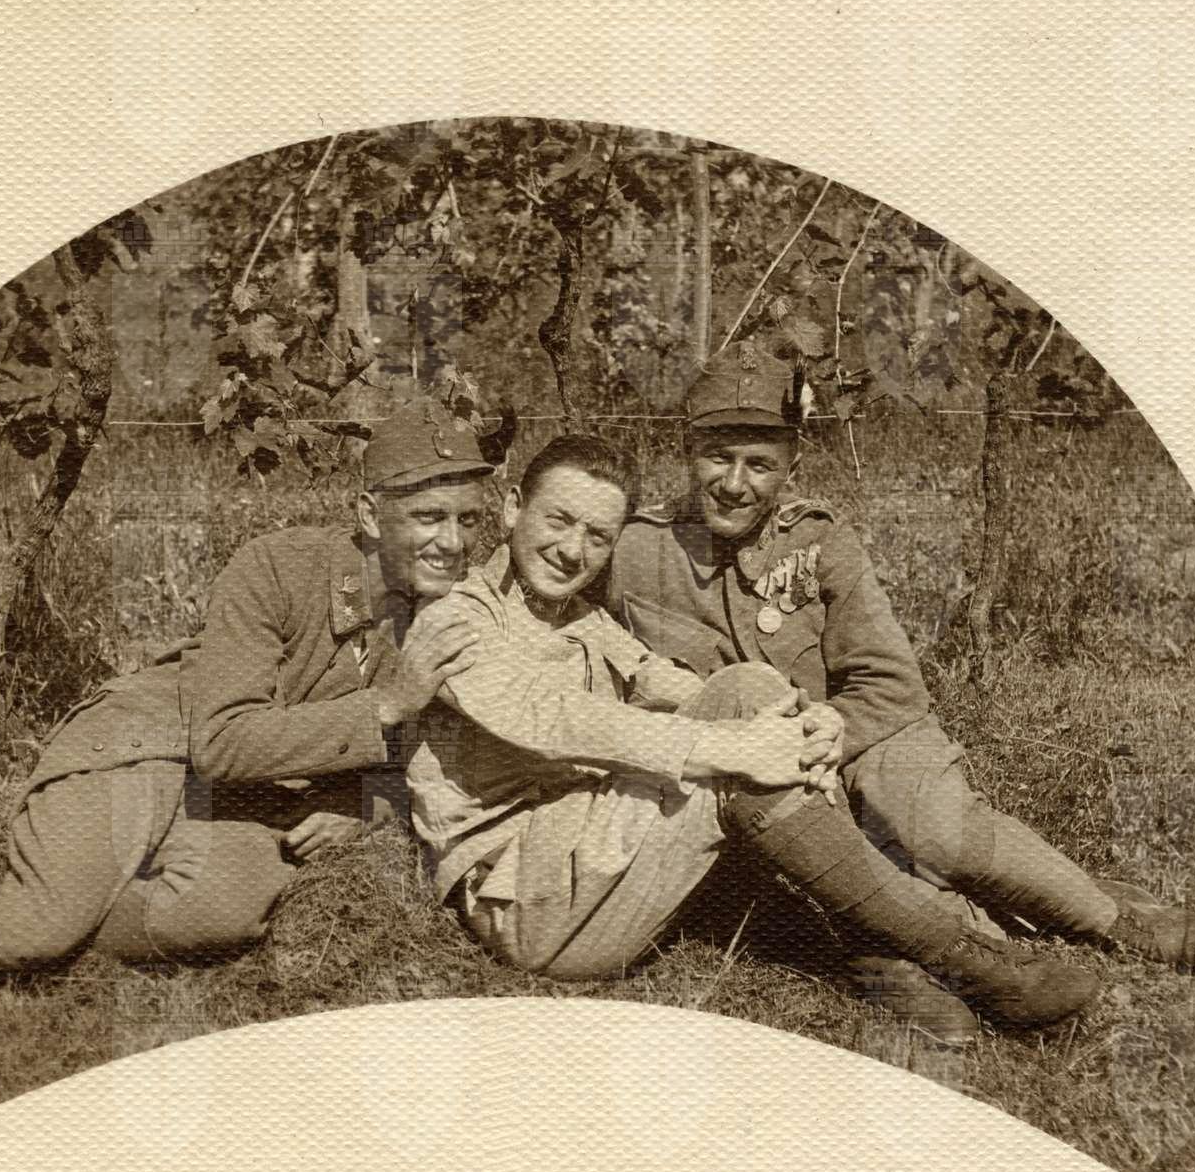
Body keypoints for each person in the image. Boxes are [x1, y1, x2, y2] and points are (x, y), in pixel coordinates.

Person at [0, 400, 495, 1052]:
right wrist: (384, 706)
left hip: (245, 790)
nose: (453, 543)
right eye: (427, 517)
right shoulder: (277, 567)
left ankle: (73, 918)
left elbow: (442, 752)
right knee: (38, 923)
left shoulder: (452, 613)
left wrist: (369, 801)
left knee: (223, 913)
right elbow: (222, 739)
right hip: (144, 745)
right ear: (369, 514)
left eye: (468, 519)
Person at [603, 342, 1195, 1036]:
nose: (735, 484)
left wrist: (834, 729)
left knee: (937, 835)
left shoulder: (820, 542)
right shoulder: (635, 550)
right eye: (718, 457)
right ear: (688, 450)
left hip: (868, 739)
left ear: (791, 466)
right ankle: (914, 961)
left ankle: (1112, 917)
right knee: (806, 862)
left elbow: (890, 682)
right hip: (753, 779)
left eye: (760, 464)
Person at [405, 433, 1100, 1032]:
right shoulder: (454, 622)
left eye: (597, 536)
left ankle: (881, 951)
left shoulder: (575, 615)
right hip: (531, 898)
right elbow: (558, 717)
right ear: (512, 509)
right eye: (558, 520)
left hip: (595, 843)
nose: (571, 549)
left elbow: (659, 678)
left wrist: (797, 719)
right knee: (734, 764)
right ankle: (958, 955)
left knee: (747, 687)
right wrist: (735, 746)